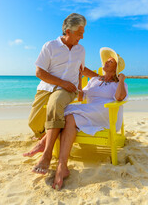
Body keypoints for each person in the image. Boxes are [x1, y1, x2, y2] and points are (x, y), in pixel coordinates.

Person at [24, 47, 128, 190]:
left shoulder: (119, 84)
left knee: (66, 113)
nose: (106, 62)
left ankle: (44, 143)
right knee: (68, 117)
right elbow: (80, 96)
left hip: (104, 114)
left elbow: (119, 98)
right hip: (87, 113)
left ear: (116, 68)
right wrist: (79, 77)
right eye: (107, 60)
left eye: (111, 61)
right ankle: (62, 165)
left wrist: (121, 79)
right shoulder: (94, 80)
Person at [26, 13, 99, 174]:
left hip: (68, 90)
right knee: (34, 122)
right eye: (80, 32)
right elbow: (39, 72)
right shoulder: (50, 46)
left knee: (55, 103)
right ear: (68, 32)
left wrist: (95, 79)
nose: (82, 36)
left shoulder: (81, 50)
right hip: (46, 87)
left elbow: (81, 70)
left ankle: (46, 156)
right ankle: (46, 138)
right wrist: (61, 82)